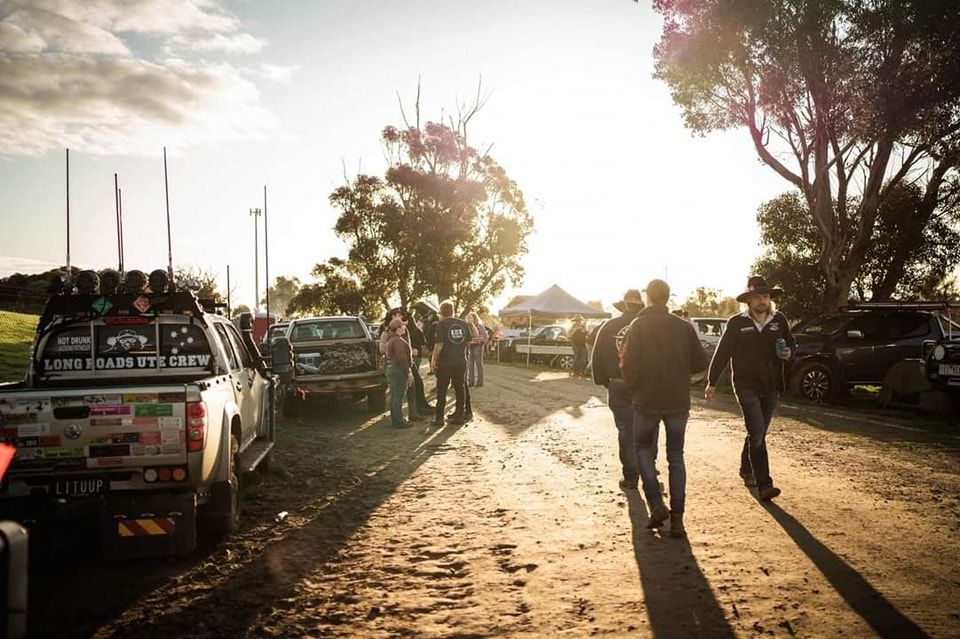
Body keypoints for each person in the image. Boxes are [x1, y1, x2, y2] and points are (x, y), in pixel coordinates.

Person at [621, 279, 709, 538]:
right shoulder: (683, 327)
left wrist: (635, 388)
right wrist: (681, 375)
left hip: (646, 400)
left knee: (643, 450)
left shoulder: (638, 325)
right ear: (668, 298)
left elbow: (627, 363)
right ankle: (678, 521)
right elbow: (701, 361)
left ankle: (657, 504)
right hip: (677, 401)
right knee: (676, 456)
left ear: (648, 297)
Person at [706, 276, 794, 501]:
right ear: (749, 300)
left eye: (765, 296)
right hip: (745, 385)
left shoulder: (779, 320)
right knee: (756, 432)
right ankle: (764, 484)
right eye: (758, 297)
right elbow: (722, 353)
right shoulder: (737, 323)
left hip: (771, 384)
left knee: (759, 432)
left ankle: (746, 468)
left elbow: (791, 344)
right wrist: (712, 382)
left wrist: (789, 353)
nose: (762, 301)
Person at [592, 288, 656, 491]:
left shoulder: (610, 325)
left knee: (626, 429)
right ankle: (648, 470)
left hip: (618, 382)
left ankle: (631, 476)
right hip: (646, 384)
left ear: (624, 305)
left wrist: (604, 380)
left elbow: (597, 355)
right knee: (649, 428)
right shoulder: (651, 326)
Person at [430, 301, 471, 426]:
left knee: (442, 390)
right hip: (460, 361)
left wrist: (433, 360)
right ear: (453, 311)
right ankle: (459, 415)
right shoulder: (463, 323)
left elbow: (439, 344)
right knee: (460, 388)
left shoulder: (441, 324)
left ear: (441, 312)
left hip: (445, 362)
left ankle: (439, 418)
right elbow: (468, 340)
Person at [383, 317, 420, 428]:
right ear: (398, 327)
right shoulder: (398, 340)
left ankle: (396, 419)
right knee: (399, 396)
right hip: (398, 369)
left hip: (392, 368)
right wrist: (408, 372)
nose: (405, 327)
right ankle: (399, 421)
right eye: (403, 325)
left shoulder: (391, 339)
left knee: (395, 395)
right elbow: (402, 358)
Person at [466, 312, 488, 387]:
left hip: (478, 346)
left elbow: (485, 337)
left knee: (479, 365)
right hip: (470, 346)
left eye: (470, 317)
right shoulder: (467, 327)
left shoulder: (480, 326)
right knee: (470, 365)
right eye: (468, 317)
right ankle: (471, 382)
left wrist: (480, 342)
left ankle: (480, 382)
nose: (468, 319)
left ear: (474, 318)